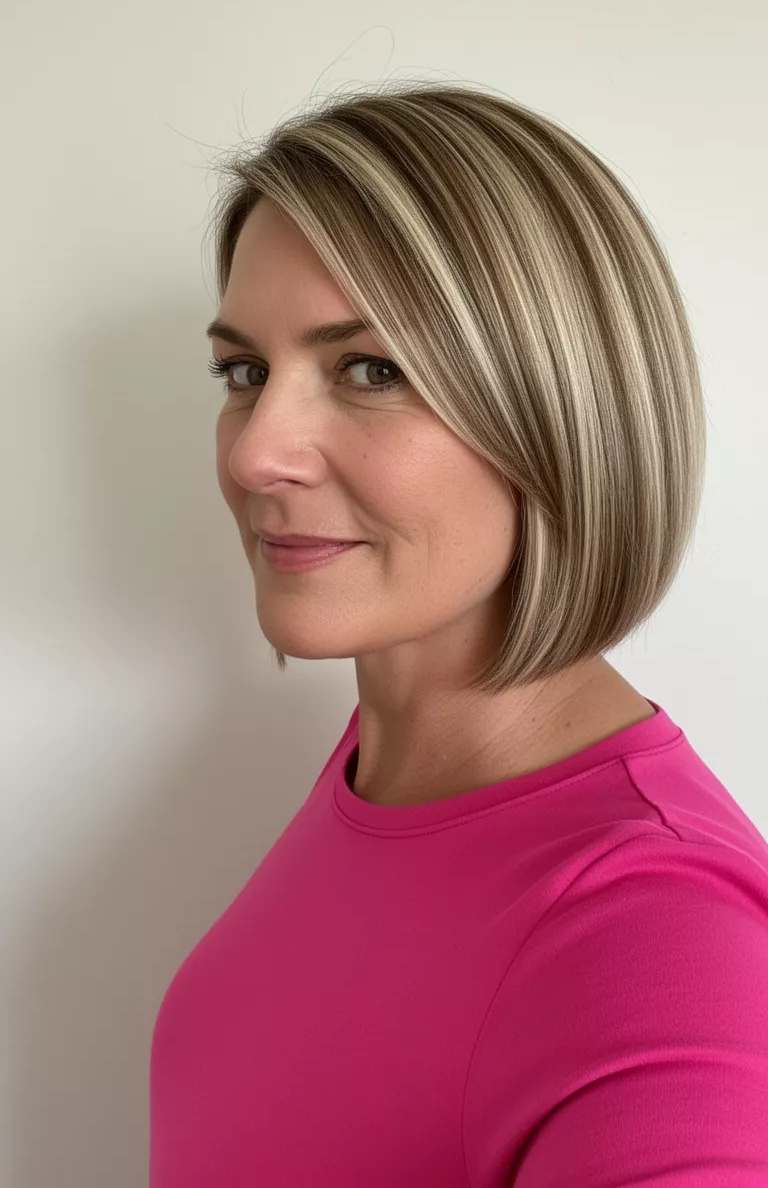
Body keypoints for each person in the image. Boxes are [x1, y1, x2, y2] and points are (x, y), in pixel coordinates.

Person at [149, 82, 768, 1185]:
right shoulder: (385, 775)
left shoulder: (654, 928)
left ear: (558, 415)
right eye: (244, 372)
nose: (254, 454)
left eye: (371, 370)